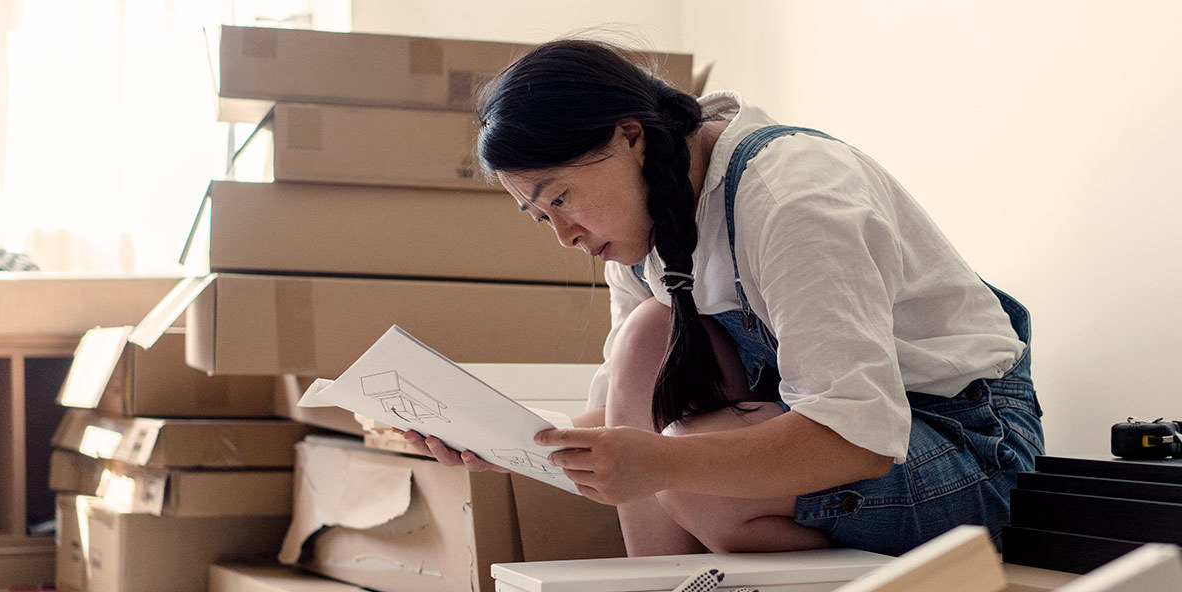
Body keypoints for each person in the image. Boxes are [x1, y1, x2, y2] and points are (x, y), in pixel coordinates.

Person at [403, 38, 1045, 558]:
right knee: (648, 339)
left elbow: (862, 435)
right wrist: (503, 440)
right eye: (542, 218)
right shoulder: (643, 223)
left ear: (631, 137)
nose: (566, 236)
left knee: (699, 483)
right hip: (824, 422)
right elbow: (623, 422)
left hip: (961, 441)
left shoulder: (793, 199)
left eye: (562, 198)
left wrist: (666, 460)